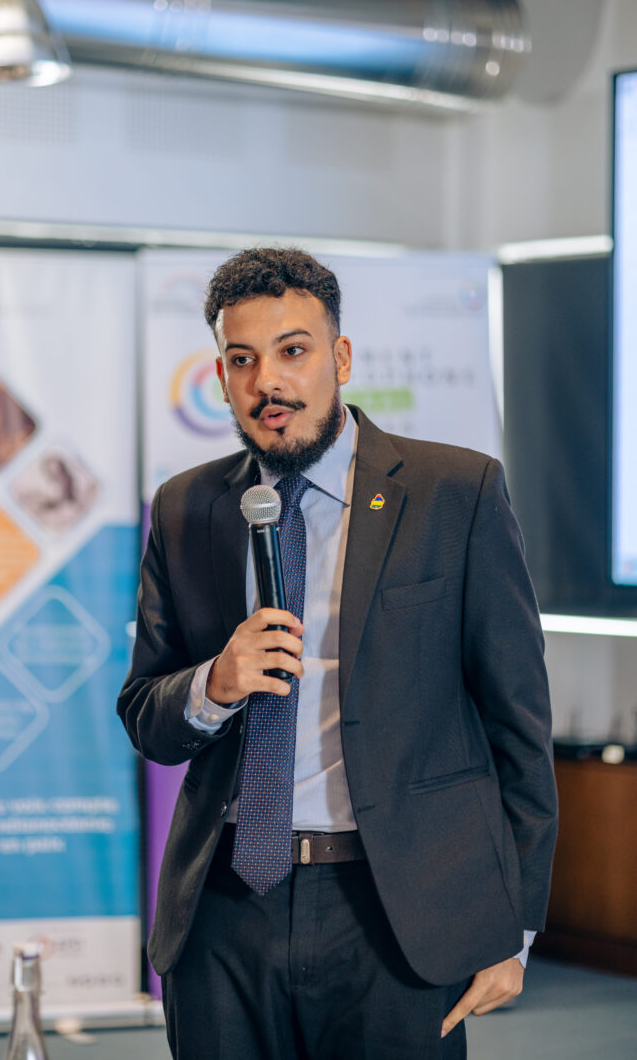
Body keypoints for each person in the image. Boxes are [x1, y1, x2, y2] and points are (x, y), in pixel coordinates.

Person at [117, 247, 558, 1060]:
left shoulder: (454, 493)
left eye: (293, 350)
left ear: (341, 358)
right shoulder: (185, 508)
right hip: (223, 915)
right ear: (220, 377)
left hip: (393, 910)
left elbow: (519, 726)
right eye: (242, 360)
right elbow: (146, 713)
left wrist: (517, 925)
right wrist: (213, 683)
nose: (268, 382)